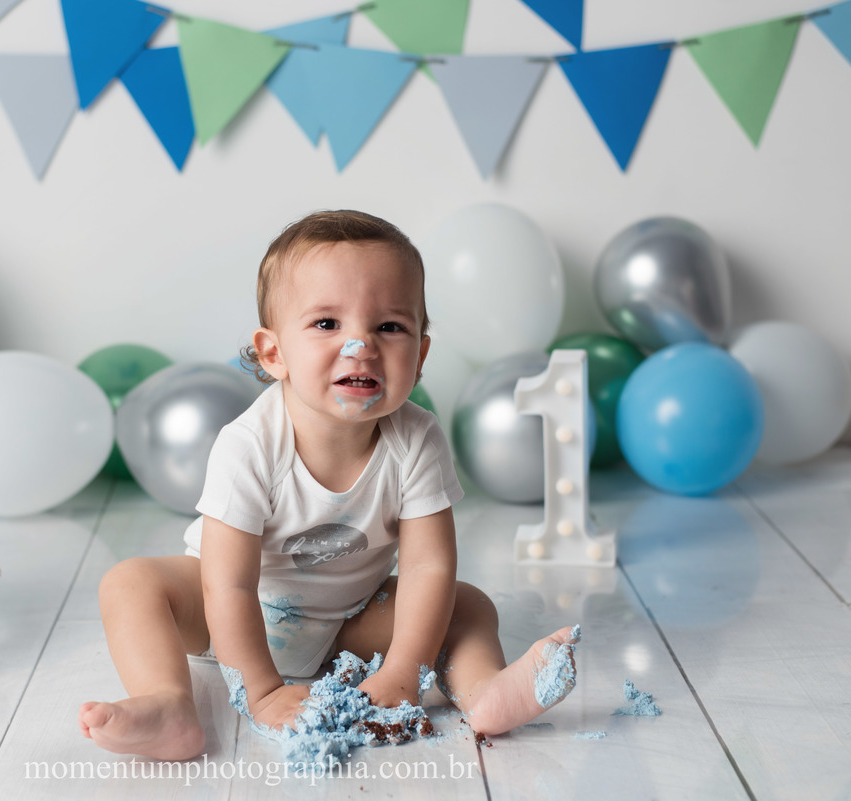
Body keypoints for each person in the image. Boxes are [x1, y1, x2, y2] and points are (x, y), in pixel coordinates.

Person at [79, 210, 578, 761]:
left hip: (350, 618)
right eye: (326, 325)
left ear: (420, 356)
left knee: (468, 604)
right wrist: (262, 689)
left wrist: (402, 672)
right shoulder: (250, 445)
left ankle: (484, 691)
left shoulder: (417, 439)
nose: (360, 345)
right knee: (130, 583)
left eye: (389, 327)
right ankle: (169, 703)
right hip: (231, 611)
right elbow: (230, 585)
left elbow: (427, 568)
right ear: (273, 353)